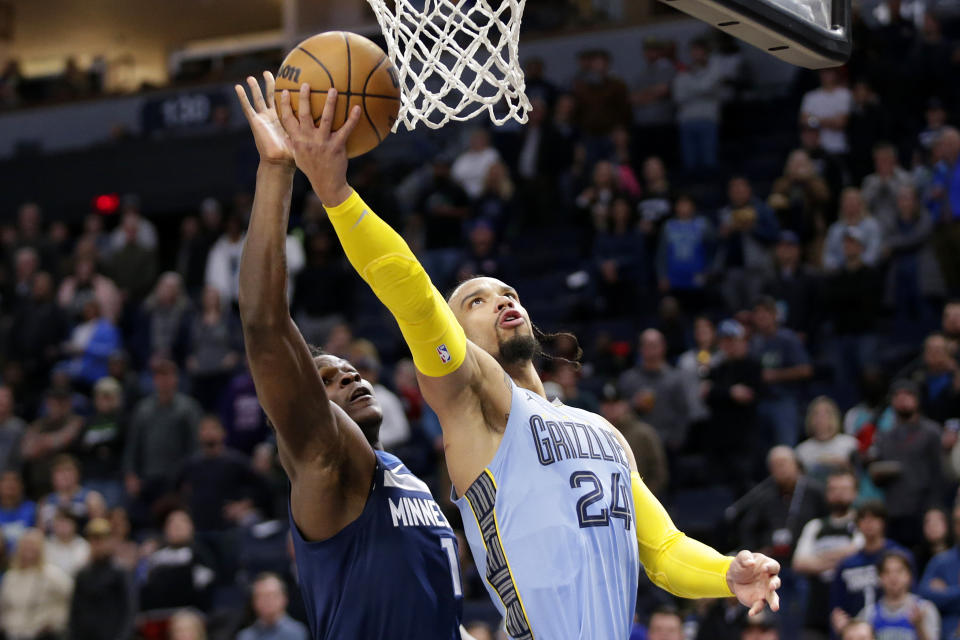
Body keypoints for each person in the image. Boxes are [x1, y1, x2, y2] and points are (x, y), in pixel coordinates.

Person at [276, 79, 781, 639]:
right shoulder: (477, 402)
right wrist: (337, 196)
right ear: (456, 333)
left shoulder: (603, 433)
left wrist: (726, 573)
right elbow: (415, 297)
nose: (501, 300)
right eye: (476, 300)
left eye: (508, 293)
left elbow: (662, 550)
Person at [234, 73, 467, 640]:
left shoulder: (399, 474)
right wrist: (275, 173)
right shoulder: (327, 459)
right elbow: (265, 325)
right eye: (329, 380)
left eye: (350, 369)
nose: (350, 375)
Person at [868, 380, 943, 548]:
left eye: (907, 394)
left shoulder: (931, 432)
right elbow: (876, 478)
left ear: (917, 399)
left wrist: (936, 508)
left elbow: (939, 473)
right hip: (894, 512)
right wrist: (878, 473)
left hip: (923, 510)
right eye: (897, 395)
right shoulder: (884, 437)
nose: (902, 399)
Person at [792, 469, 863, 640]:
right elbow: (799, 563)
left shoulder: (861, 524)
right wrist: (842, 557)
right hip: (817, 606)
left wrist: (821, 558)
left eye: (844, 489)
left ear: (855, 493)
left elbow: (860, 552)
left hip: (852, 603)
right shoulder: (815, 526)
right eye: (833, 489)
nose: (838, 494)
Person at [830, 502, 913, 626]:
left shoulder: (899, 557)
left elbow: (912, 594)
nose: (869, 524)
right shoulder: (847, 564)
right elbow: (837, 608)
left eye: (874, 518)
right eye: (863, 519)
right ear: (858, 524)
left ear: (883, 522)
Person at [751, 297, 813, 446]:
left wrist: (776, 375)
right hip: (760, 400)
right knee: (762, 450)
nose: (761, 318)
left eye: (765, 313)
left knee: (786, 446)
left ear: (774, 315)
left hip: (784, 400)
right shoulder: (754, 342)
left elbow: (806, 370)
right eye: (758, 314)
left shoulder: (788, 339)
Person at [0, 528, 73, 640]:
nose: (29, 548)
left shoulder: (52, 574)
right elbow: (3, 608)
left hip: (41, 635)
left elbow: (73, 597)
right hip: (11, 633)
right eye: (25, 544)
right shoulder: (10, 577)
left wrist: (57, 621)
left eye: (33, 545)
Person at [69, 517, 134, 640]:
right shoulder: (82, 574)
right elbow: (75, 612)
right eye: (93, 540)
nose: (97, 545)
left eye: (101, 540)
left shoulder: (120, 572)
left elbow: (129, 610)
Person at [856, 552, 940, 640]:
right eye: (887, 572)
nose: (893, 577)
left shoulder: (924, 609)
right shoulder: (869, 614)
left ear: (909, 576)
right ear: (879, 578)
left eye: (899, 571)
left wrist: (919, 626)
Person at [918, 504, 960, 639]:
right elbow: (925, 595)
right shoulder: (940, 561)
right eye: (958, 522)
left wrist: (947, 591)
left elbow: (939, 597)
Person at [795, 397, 858, 483]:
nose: (821, 418)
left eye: (826, 414)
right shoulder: (802, 450)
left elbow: (858, 475)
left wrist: (844, 465)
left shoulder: (850, 444)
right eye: (816, 414)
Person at [237, 573, 309, 640]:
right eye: (262, 596)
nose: (268, 601)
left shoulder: (298, 632)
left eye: (272, 595)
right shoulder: (245, 636)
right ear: (254, 601)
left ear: (284, 598)